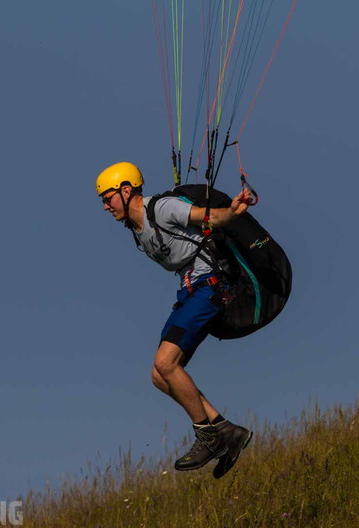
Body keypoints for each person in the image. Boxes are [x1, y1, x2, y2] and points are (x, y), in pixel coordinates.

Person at [96, 161, 254, 478]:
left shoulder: (163, 208)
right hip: (190, 292)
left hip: (210, 285)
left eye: (107, 197)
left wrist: (233, 211)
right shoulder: (138, 231)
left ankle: (207, 436)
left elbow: (209, 217)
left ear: (126, 190)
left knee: (166, 362)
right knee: (159, 375)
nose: (105, 206)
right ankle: (226, 431)